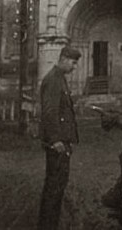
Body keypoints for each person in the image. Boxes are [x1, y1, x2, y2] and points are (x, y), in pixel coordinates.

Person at [38, 45, 81, 230]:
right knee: (54, 188)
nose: (74, 67)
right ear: (63, 58)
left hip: (62, 142)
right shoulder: (54, 80)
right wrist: (56, 140)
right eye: (73, 62)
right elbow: (50, 112)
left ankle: (49, 224)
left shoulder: (59, 78)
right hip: (58, 144)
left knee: (56, 187)